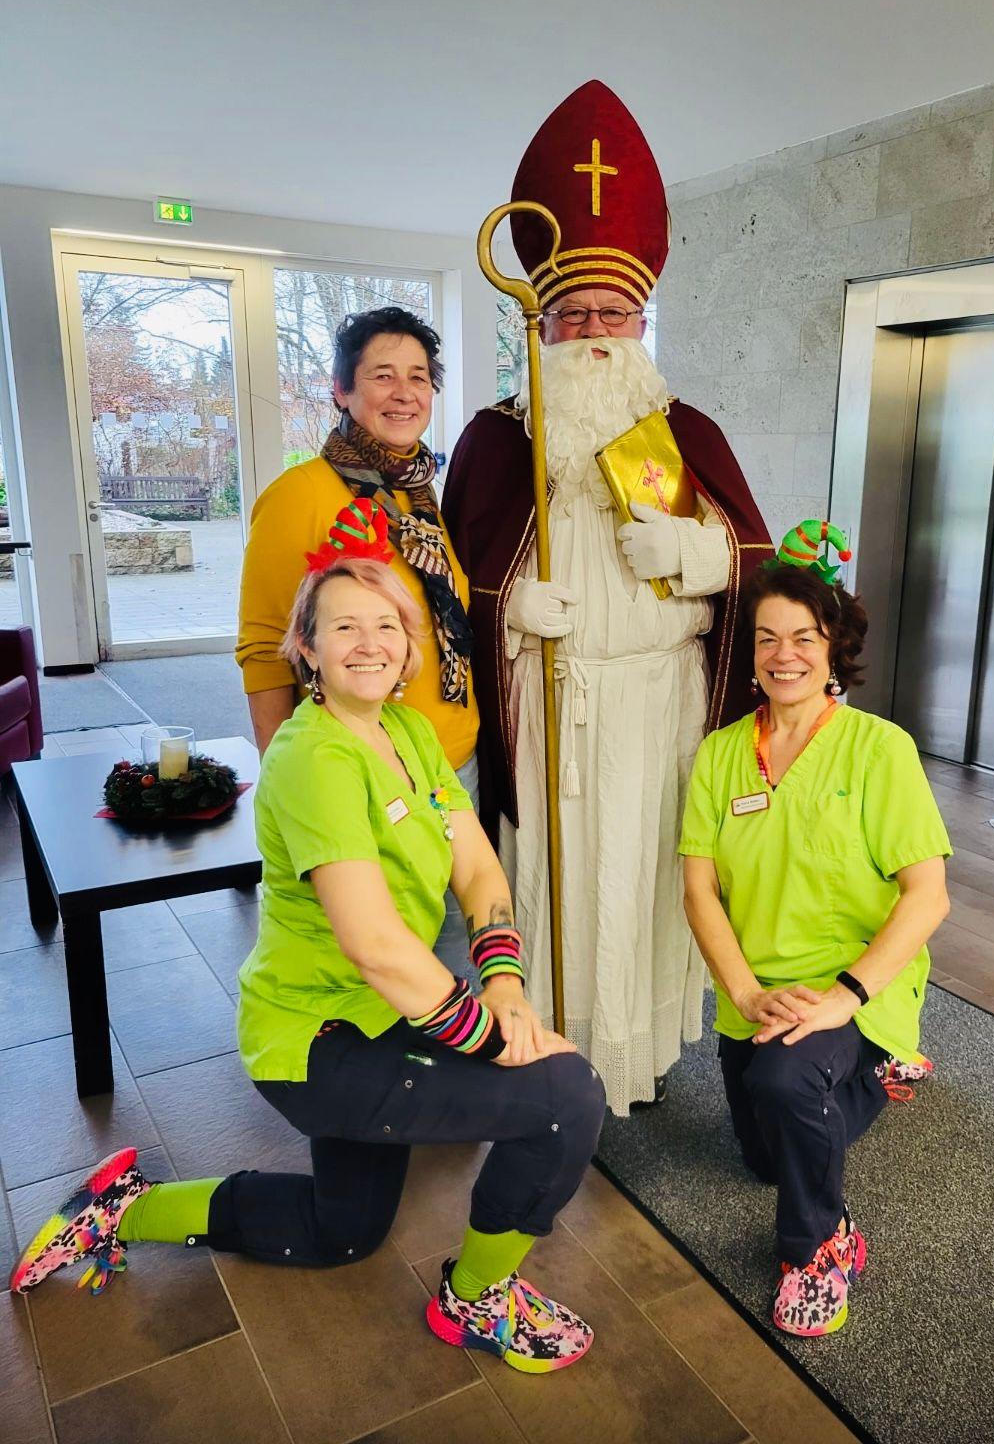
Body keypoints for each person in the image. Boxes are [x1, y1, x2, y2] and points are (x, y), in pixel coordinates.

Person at [11, 547, 604, 1375]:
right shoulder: (312, 758)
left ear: (410, 643)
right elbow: (374, 945)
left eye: (387, 624)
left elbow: (475, 866)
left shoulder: (405, 731)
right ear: (307, 647)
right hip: (320, 1042)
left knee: (342, 1233)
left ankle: (122, 1209)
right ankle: (474, 1298)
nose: (369, 643)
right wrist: (496, 1037)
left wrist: (503, 979)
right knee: (564, 1099)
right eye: (343, 626)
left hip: (391, 1012)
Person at [442, 80, 773, 1116]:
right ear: (540, 323)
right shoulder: (496, 439)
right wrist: (505, 610)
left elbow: (759, 557)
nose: (595, 330)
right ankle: (551, 1047)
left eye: (615, 314)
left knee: (649, 879)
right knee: (561, 881)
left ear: (641, 322)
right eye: (573, 313)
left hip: (665, 704)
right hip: (552, 708)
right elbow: (445, 587)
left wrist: (702, 553)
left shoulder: (687, 432)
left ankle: (642, 1054)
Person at [679, 522, 951, 1337]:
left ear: (834, 647)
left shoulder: (878, 749)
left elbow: (927, 897)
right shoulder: (721, 754)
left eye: (803, 636)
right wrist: (744, 994)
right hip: (759, 993)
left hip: (854, 983)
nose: (783, 654)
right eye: (767, 638)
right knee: (765, 1158)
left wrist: (843, 997)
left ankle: (818, 1244)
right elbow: (699, 891)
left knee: (785, 1087)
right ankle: (873, 1078)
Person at [237, 304, 479, 974]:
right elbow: (263, 648)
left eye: (419, 376)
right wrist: (288, 779)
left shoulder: (419, 496)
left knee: (451, 950)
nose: (404, 392)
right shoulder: (300, 495)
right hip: (356, 769)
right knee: (376, 960)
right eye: (382, 375)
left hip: (448, 761)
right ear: (342, 391)